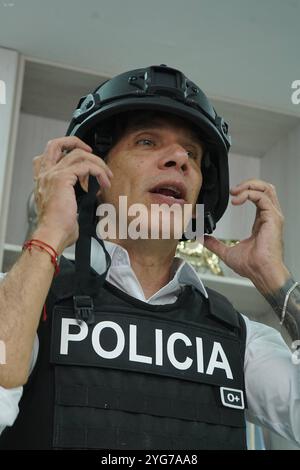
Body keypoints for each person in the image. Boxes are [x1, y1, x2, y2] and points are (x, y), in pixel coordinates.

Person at [0, 65, 299, 450]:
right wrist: (49, 232)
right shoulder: (26, 301)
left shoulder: (238, 337)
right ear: (91, 178)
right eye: (146, 141)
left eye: (191, 151)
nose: (179, 158)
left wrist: (276, 281)